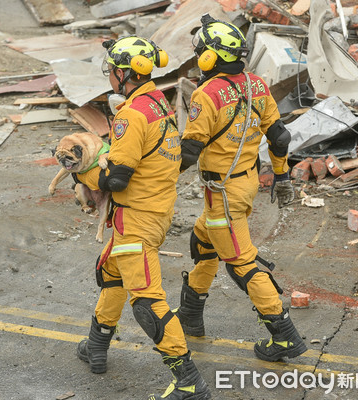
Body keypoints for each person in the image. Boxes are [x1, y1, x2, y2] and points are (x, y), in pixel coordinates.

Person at [72, 36, 211, 400]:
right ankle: (96, 346)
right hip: (154, 211)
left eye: (113, 71)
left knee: (147, 302)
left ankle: (189, 381)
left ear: (123, 73)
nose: (110, 77)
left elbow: (116, 178)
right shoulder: (157, 102)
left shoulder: (132, 115)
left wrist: (80, 173)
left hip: (136, 219)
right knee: (112, 276)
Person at [176, 14, 307, 363]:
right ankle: (190, 315)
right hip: (243, 184)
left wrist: (153, 179)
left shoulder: (207, 94)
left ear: (209, 57)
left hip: (223, 194)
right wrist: (281, 176)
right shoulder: (258, 85)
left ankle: (284, 336)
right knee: (202, 242)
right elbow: (279, 136)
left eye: (201, 51)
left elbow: (189, 150)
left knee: (241, 262)